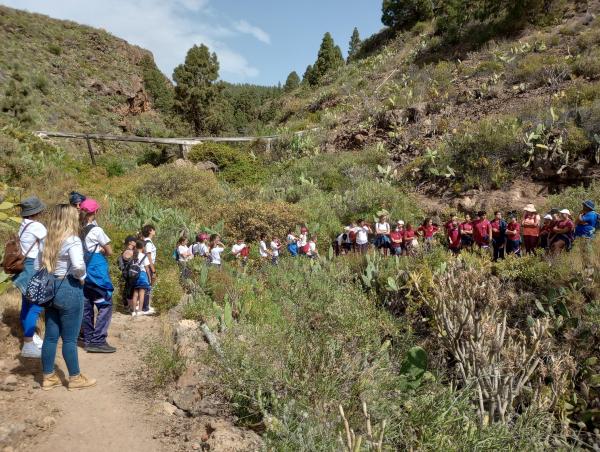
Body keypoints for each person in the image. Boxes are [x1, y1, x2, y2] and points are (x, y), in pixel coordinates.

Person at [38, 204, 96, 391]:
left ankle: (48, 377)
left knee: (51, 337)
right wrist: (82, 279)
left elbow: (40, 263)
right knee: (70, 339)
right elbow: (79, 266)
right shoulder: (72, 240)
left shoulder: (47, 239)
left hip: (50, 287)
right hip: (69, 286)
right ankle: (75, 378)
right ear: (69, 219)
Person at [79, 199, 116, 353]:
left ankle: (87, 339)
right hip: (96, 273)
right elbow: (110, 251)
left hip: (82, 272)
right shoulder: (96, 230)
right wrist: (101, 250)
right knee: (105, 304)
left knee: (86, 306)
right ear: (95, 212)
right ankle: (98, 340)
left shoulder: (78, 230)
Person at [12, 197, 47, 358]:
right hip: (34, 267)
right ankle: (27, 344)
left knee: (26, 304)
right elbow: (48, 245)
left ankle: (31, 337)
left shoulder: (23, 225)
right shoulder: (37, 226)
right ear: (36, 212)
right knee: (35, 306)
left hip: (24, 266)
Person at [131, 240, 152, 317]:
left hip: (135, 275)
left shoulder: (134, 255)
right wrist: (149, 278)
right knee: (141, 294)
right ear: (143, 247)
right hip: (142, 275)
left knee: (135, 293)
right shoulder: (144, 256)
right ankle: (139, 310)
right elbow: (147, 268)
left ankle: (133, 311)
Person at [141, 225, 157, 315]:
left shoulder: (145, 241)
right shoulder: (149, 242)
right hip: (148, 266)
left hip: (144, 266)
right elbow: (149, 256)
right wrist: (153, 269)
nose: (155, 231)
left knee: (146, 286)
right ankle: (145, 307)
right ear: (150, 231)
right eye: (153, 230)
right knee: (148, 285)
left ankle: (146, 305)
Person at [117, 236, 137, 309]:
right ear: (130, 242)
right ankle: (128, 306)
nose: (136, 242)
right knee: (129, 289)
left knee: (128, 289)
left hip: (128, 273)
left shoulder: (127, 251)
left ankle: (128, 305)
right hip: (129, 273)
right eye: (134, 241)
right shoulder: (129, 252)